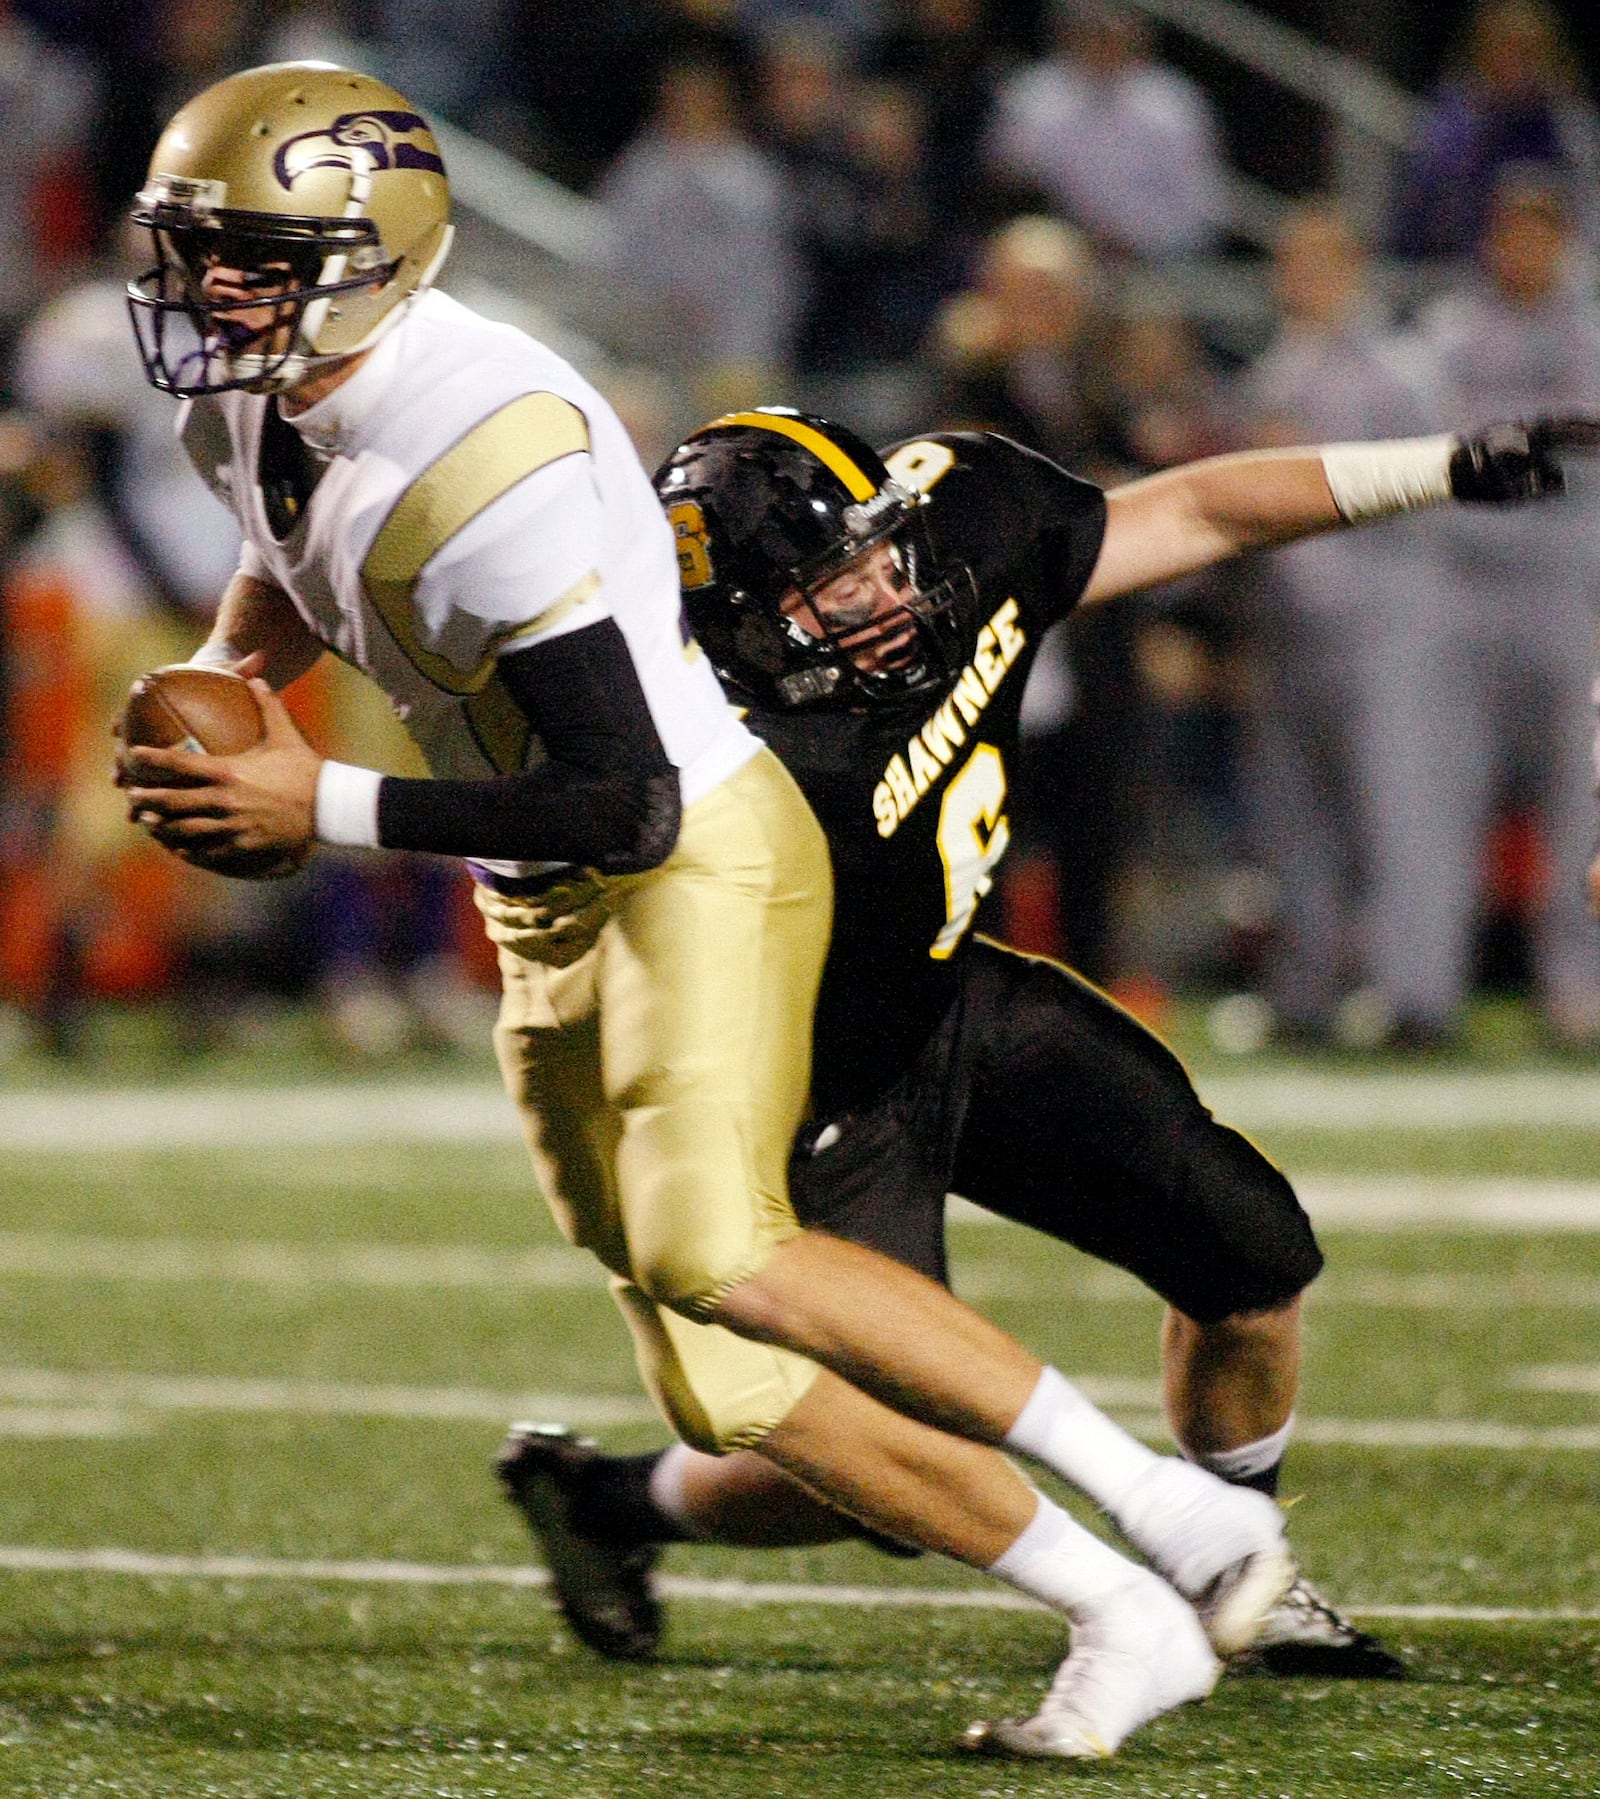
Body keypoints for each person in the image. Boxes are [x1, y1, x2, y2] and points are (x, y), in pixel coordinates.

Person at [114, 61, 1309, 1764]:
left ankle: (1177, 1516)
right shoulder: (255, 392)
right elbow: (292, 547)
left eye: (243, 258)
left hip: (690, 864)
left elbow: (632, 796)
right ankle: (1116, 1606)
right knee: (722, 1387)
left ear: (365, 258)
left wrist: (323, 802)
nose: (200, 292)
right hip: (543, 895)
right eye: (192, 249)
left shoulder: (483, 450)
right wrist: (234, 672)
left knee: (718, 1245)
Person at [496, 402, 1595, 1692]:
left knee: (1248, 1254)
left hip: (953, 997)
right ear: (735, 619)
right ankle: (616, 1502)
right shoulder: (685, 744)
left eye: (876, 552)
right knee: (887, 1466)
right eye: (826, 585)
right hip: (793, 1094)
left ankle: (1248, 1559)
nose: (879, 592)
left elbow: (1194, 510)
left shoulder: (962, 529)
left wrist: (1435, 467)